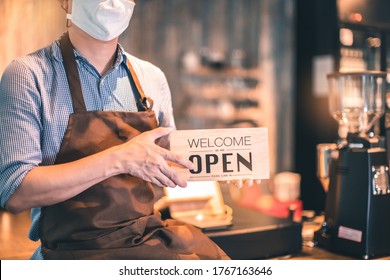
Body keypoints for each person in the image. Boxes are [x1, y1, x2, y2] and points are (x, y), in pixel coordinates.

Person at [0, 0, 230, 260]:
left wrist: (222, 164)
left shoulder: (152, 78)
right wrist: (120, 159)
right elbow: (15, 191)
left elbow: (169, 165)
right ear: (65, 2)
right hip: (71, 252)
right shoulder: (28, 75)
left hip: (143, 239)